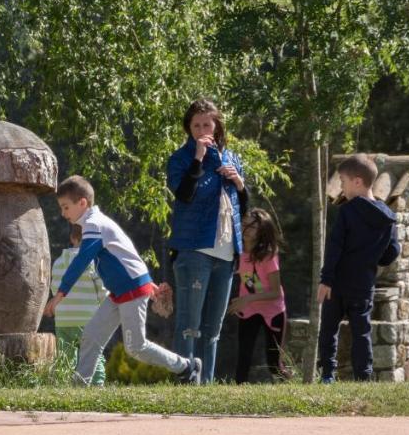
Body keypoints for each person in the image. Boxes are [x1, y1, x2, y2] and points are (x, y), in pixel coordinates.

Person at [43, 176, 201, 386]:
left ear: (82, 203)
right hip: (120, 292)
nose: (63, 214)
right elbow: (127, 252)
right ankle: (79, 387)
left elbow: (82, 260)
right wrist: (147, 281)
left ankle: (187, 367)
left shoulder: (94, 223)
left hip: (132, 291)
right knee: (91, 336)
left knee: (136, 347)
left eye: (65, 207)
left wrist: (59, 295)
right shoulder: (97, 222)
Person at [165, 98, 247, 383]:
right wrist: (198, 159)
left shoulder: (232, 158)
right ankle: (185, 383)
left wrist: (239, 183)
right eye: (196, 125)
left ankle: (206, 387)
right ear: (189, 128)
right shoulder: (180, 159)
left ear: (217, 126)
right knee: (189, 325)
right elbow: (184, 194)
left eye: (207, 125)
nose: (202, 130)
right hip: (193, 251)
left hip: (225, 254)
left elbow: (242, 210)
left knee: (213, 328)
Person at [317, 154, 401, 383]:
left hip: (338, 282)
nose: (341, 187)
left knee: (329, 330)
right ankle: (363, 376)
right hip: (364, 282)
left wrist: (326, 280)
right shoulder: (388, 219)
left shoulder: (347, 211)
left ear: (357, 181)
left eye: (343, 181)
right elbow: (392, 252)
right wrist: (372, 257)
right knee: (361, 331)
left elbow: (334, 247)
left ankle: (327, 375)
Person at [228, 208, 288, 384]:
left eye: (252, 226)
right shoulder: (237, 252)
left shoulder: (269, 256)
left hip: (273, 311)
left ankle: (288, 389)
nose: (246, 229)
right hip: (249, 311)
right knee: (243, 356)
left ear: (262, 230)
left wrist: (247, 299)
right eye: (244, 224)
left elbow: (276, 293)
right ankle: (238, 393)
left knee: (273, 363)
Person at [50, 222, 107, 385]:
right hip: (88, 319)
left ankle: (67, 385)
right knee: (94, 353)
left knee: (66, 356)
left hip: (64, 319)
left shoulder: (59, 262)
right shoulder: (93, 261)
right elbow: (102, 290)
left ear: (72, 238)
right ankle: (97, 385)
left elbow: (55, 289)